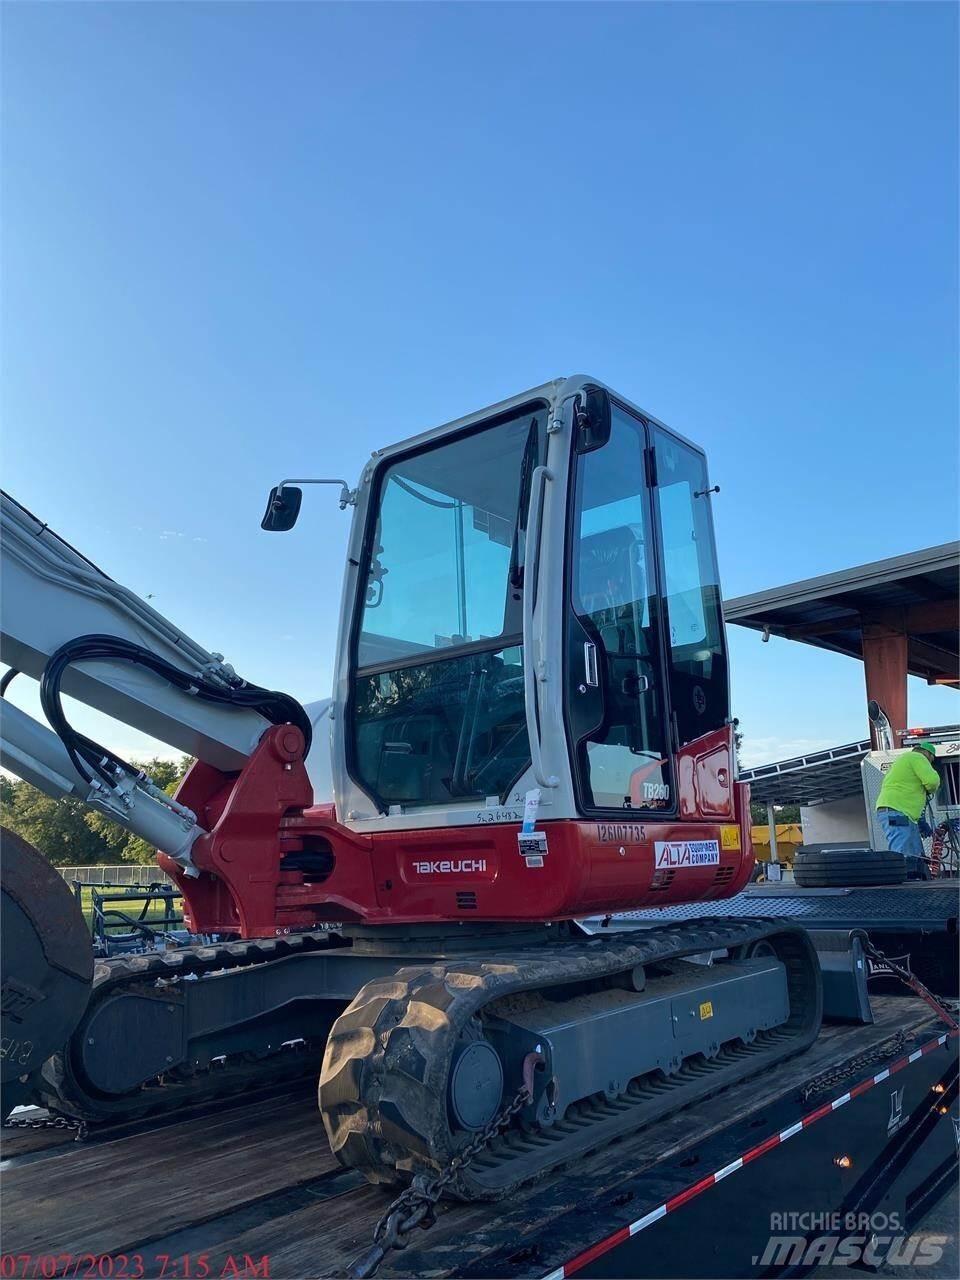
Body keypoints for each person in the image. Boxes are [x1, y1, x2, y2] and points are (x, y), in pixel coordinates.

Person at [875, 740, 940, 880]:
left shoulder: (904, 761)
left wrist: (923, 825)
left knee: (915, 852)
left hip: (898, 812)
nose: (930, 763)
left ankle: (916, 882)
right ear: (928, 754)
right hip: (898, 811)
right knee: (903, 851)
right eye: (932, 759)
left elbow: (915, 805)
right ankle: (902, 887)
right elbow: (932, 781)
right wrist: (930, 790)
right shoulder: (917, 757)